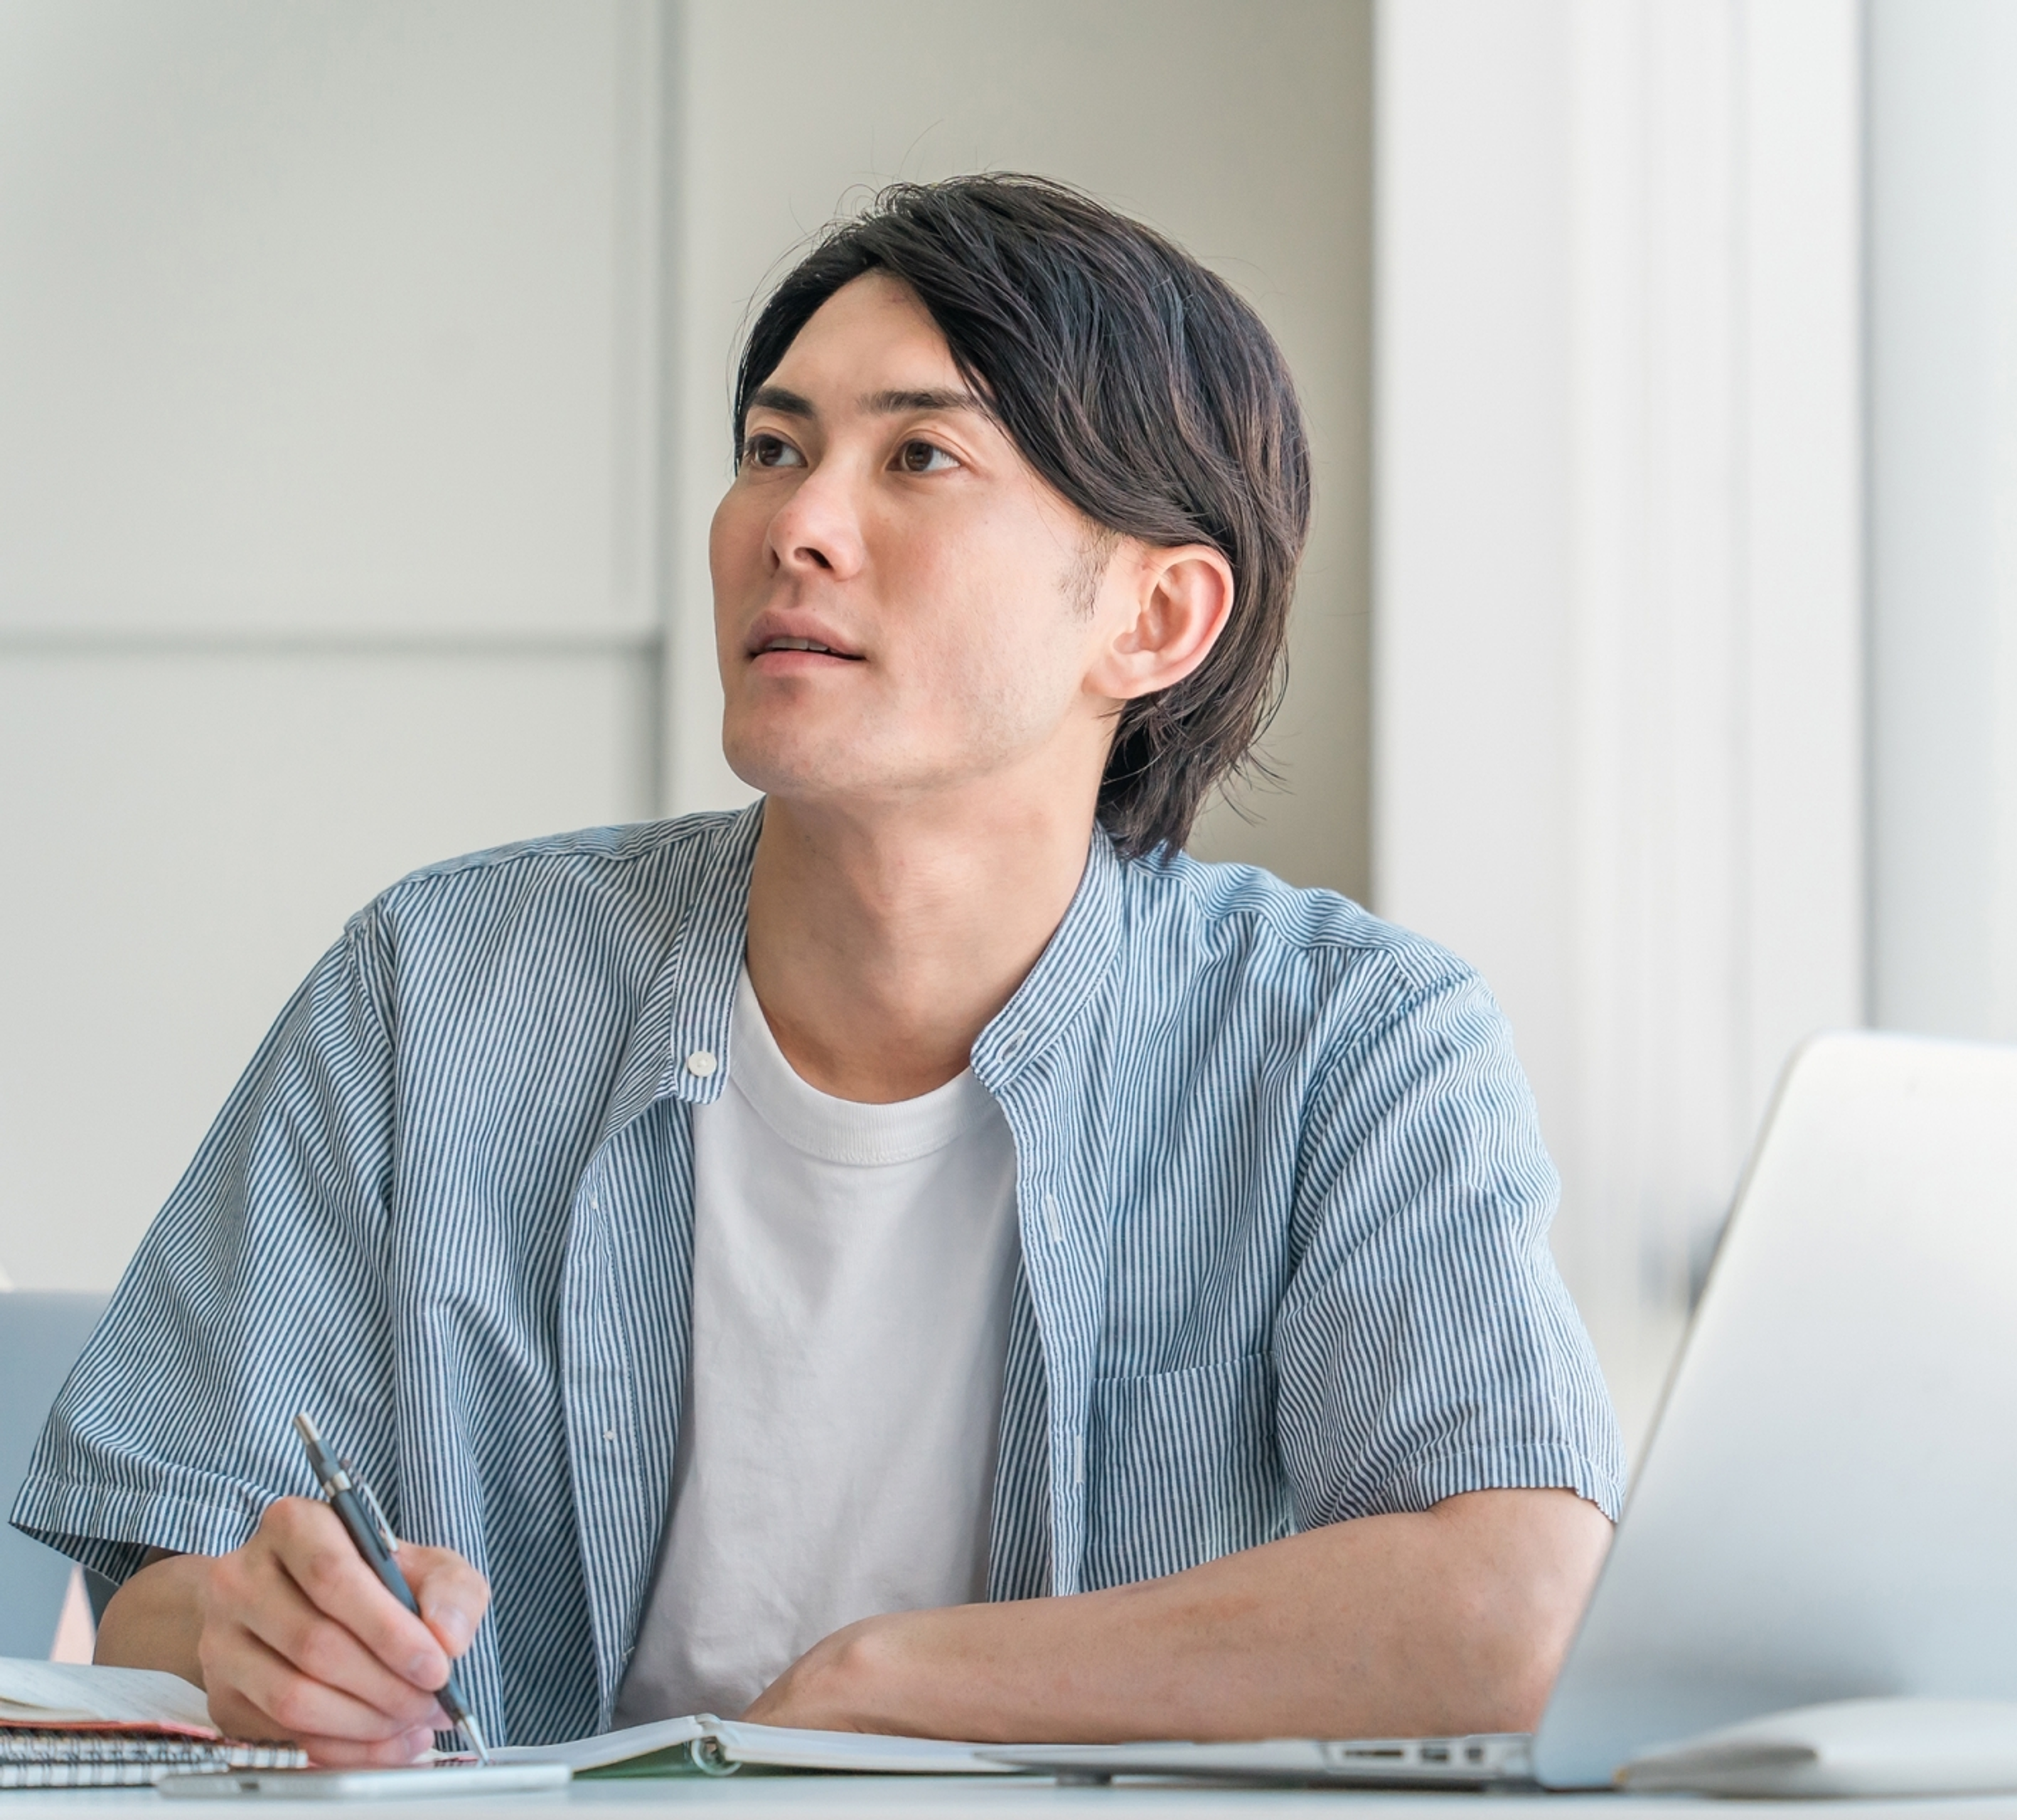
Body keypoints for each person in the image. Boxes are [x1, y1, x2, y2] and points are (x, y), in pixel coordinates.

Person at [9, 176, 1621, 1765]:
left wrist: (892, 1680)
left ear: (1155, 616)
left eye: (919, 456)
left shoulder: (1349, 1042)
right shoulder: (433, 989)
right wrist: (260, 1636)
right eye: (775, 449)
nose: (795, 524)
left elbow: (1517, 1609)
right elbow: (156, 1578)